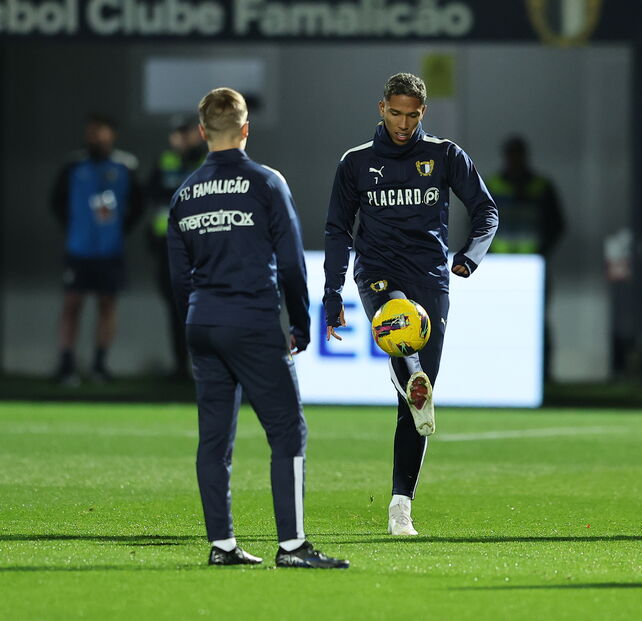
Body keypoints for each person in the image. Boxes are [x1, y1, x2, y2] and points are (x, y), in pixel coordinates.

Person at [167, 87, 348, 569]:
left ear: (203, 133)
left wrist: (195, 322)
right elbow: (290, 263)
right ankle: (291, 546)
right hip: (250, 321)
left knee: (214, 440)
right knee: (287, 430)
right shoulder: (266, 183)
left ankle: (222, 545)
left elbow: (178, 277)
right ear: (246, 129)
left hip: (201, 323)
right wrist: (302, 323)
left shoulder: (185, 194)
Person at [323, 73, 498, 536]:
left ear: (424, 112)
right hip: (378, 272)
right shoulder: (356, 163)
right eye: (396, 113)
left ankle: (401, 505)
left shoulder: (444, 155)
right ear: (381, 108)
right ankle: (407, 370)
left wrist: (469, 258)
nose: (403, 123)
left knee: (415, 407)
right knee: (399, 320)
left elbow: (486, 211)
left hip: (431, 277)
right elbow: (338, 229)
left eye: (413, 115)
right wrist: (331, 292)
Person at [51, 113, 144, 385]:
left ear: (111, 134)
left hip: (110, 250)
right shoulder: (72, 165)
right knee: (72, 304)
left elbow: (137, 205)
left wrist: (117, 230)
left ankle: (99, 365)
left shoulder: (126, 166)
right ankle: (67, 364)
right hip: (78, 249)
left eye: (100, 132)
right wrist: (74, 228)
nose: (95, 137)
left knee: (107, 304)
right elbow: (56, 202)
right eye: (91, 132)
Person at [486, 135, 565, 379]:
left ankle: (543, 375)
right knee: (501, 320)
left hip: (533, 266)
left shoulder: (541, 187)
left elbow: (557, 225)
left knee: (537, 321)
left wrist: (542, 252)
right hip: (500, 266)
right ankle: (502, 373)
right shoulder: (493, 185)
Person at [147, 115, 206, 379]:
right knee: (175, 307)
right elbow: (148, 195)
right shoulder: (165, 161)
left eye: (186, 132)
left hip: (200, 246)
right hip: (168, 247)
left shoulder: (206, 161)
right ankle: (181, 365)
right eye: (177, 133)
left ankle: (203, 363)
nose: (180, 138)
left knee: (204, 306)